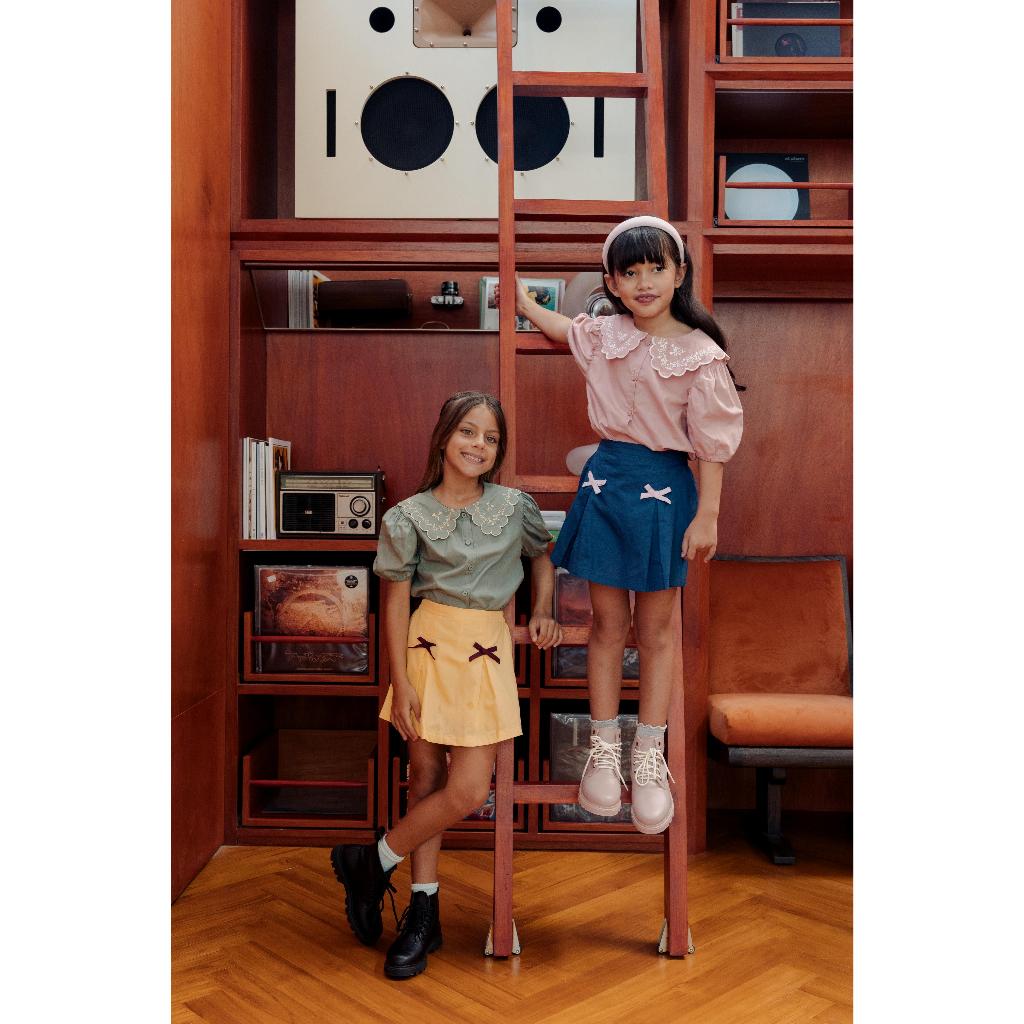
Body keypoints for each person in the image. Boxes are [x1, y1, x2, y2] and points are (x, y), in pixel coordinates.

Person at [506, 215, 743, 835]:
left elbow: (712, 446)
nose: (644, 282)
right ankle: (604, 749)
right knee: (607, 625)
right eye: (629, 272)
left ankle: (649, 755)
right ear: (611, 282)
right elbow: (564, 327)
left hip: (665, 493)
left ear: (679, 273)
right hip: (606, 485)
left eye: (656, 268)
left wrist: (708, 515)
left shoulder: (702, 354)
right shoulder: (603, 334)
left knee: (657, 630)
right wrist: (525, 303)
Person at [330, 390, 562, 979]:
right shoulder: (407, 516)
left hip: (486, 651)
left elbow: (541, 556)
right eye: (468, 432)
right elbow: (394, 602)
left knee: (468, 790)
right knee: (426, 780)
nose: (479, 445)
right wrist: (401, 682)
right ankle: (422, 914)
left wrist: (543, 608)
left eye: (491, 438)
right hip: (426, 650)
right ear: (443, 438)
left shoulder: (516, 507)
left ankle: (371, 860)